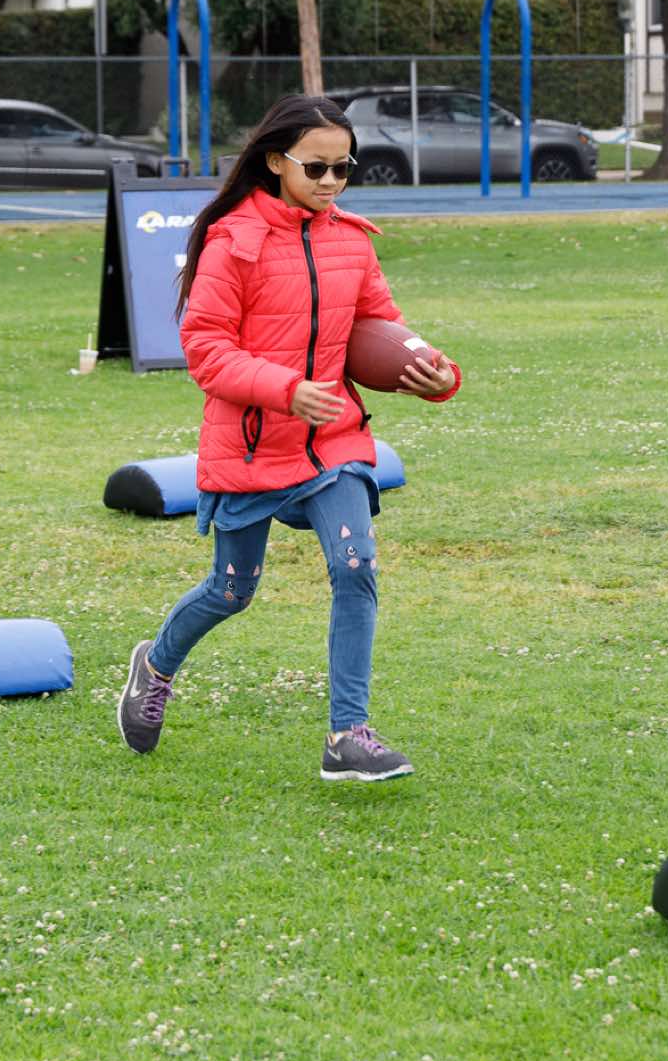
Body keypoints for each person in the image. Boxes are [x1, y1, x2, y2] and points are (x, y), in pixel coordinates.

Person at [117, 94, 461, 782]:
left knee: (356, 566)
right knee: (232, 591)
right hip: (251, 445)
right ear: (276, 162)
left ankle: (347, 735)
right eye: (317, 167)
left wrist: (435, 374)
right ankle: (155, 665)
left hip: (334, 440)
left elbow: (383, 330)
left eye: (344, 168)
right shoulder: (233, 242)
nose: (332, 182)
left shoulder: (352, 240)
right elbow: (205, 350)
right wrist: (284, 389)